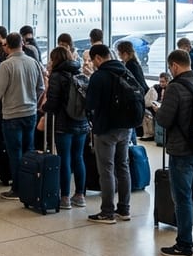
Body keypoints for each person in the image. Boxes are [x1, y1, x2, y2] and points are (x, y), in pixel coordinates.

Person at [156, 49, 193, 256]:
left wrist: (158, 109)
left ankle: (184, 245)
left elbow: (164, 120)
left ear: (175, 66)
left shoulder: (175, 88)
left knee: (183, 198)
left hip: (182, 151)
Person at [0, 33, 45, 200]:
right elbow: (41, 87)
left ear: (7, 46)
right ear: (22, 44)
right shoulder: (33, 62)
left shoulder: (6, 66)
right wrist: (33, 101)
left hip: (12, 115)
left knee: (15, 153)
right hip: (30, 113)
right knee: (28, 150)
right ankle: (29, 185)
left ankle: (17, 188)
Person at [83, 44, 138, 224]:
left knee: (106, 170)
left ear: (98, 58)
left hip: (106, 128)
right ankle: (124, 209)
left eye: (93, 60)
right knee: (123, 166)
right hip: (126, 127)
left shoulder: (99, 77)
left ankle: (107, 211)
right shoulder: (124, 71)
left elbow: (90, 104)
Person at [40, 46, 87, 210]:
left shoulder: (57, 76)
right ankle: (80, 195)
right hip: (81, 122)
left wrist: (43, 109)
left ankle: (65, 197)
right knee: (78, 158)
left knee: (64, 159)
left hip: (63, 123)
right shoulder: (79, 73)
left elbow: (53, 101)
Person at [141, 72, 169, 141]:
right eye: (160, 81)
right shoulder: (156, 88)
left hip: (165, 109)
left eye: (163, 82)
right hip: (154, 108)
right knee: (146, 113)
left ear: (168, 81)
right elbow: (147, 101)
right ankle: (149, 134)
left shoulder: (171, 89)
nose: (161, 83)